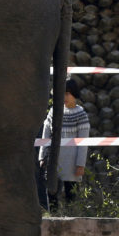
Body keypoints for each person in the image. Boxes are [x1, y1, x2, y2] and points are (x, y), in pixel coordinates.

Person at [39, 78, 89, 209]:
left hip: (72, 163)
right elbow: (46, 134)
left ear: (74, 94)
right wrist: (42, 156)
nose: (64, 97)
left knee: (71, 197)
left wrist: (80, 164)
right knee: (51, 194)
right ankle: (53, 222)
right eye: (61, 94)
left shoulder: (81, 114)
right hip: (54, 160)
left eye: (67, 93)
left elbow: (83, 142)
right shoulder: (53, 112)